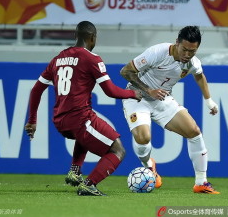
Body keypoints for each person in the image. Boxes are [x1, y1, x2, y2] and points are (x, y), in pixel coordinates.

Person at [24, 21, 142, 196]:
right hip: (79, 118)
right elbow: (110, 91)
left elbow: (36, 89)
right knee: (118, 149)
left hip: (60, 121)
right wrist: (133, 94)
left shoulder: (58, 59)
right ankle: (89, 184)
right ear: (93, 38)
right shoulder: (92, 59)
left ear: (75, 36)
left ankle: (75, 171)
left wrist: (32, 120)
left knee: (86, 133)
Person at [120, 26, 220, 194]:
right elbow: (125, 71)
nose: (187, 54)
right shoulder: (157, 52)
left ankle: (201, 183)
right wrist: (148, 90)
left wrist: (209, 101)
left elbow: (199, 75)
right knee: (143, 138)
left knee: (194, 131)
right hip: (137, 97)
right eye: (185, 49)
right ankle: (149, 167)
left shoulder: (192, 62)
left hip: (162, 100)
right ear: (177, 43)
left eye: (192, 51)